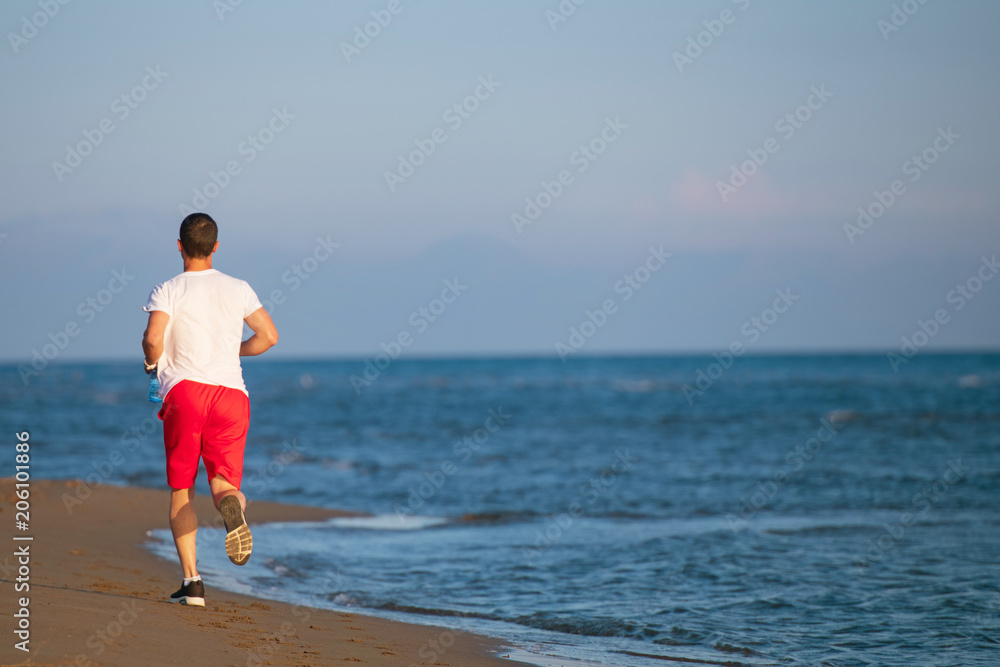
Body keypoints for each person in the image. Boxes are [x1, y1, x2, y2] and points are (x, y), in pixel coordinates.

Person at [141, 212, 278, 607]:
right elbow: (268, 336)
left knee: (182, 490)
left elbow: (153, 340)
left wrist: (152, 365)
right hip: (232, 396)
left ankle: (193, 583)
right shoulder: (238, 288)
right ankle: (231, 508)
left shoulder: (168, 289)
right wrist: (232, 350)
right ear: (216, 247)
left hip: (186, 394)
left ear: (180, 245)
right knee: (223, 484)